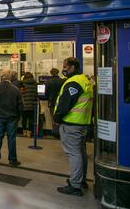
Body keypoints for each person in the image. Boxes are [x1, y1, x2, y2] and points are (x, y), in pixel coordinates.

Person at [54, 57, 93, 197]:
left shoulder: (74, 83)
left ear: (72, 67)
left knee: (74, 153)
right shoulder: (85, 80)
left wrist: (57, 118)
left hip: (71, 123)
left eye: (65, 66)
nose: (63, 69)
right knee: (80, 152)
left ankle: (75, 185)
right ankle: (80, 180)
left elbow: (65, 104)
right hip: (82, 123)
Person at [0, 70, 23, 166]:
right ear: (10, 78)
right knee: (11, 138)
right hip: (12, 117)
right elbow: (20, 105)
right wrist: (18, 115)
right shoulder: (16, 89)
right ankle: (12, 159)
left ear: (1, 77)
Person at [45, 68, 65, 137]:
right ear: (58, 72)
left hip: (52, 102)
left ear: (51, 73)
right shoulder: (62, 81)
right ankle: (61, 132)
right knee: (61, 117)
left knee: (53, 118)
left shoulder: (48, 82)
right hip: (61, 102)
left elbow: (45, 93)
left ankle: (55, 133)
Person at [21, 72, 38, 138]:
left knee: (24, 119)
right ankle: (29, 133)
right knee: (31, 119)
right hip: (32, 104)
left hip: (24, 104)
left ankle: (24, 132)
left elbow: (21, 94)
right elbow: (37, 95)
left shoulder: (22, 84)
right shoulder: (35, 84)